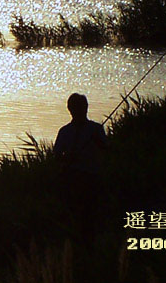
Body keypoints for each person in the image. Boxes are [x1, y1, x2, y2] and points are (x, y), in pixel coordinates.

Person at [53, 93, 108, 236]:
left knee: (91, 215)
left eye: (81, 107)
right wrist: (67, 159)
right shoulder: (65, 131)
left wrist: (97, 141)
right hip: (72, 178)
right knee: (75, 215)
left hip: (92, 178)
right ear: (70, 109)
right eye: (75, 108)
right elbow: (56, 156)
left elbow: (107, 150)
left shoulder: (96, 129)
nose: (79, 111)